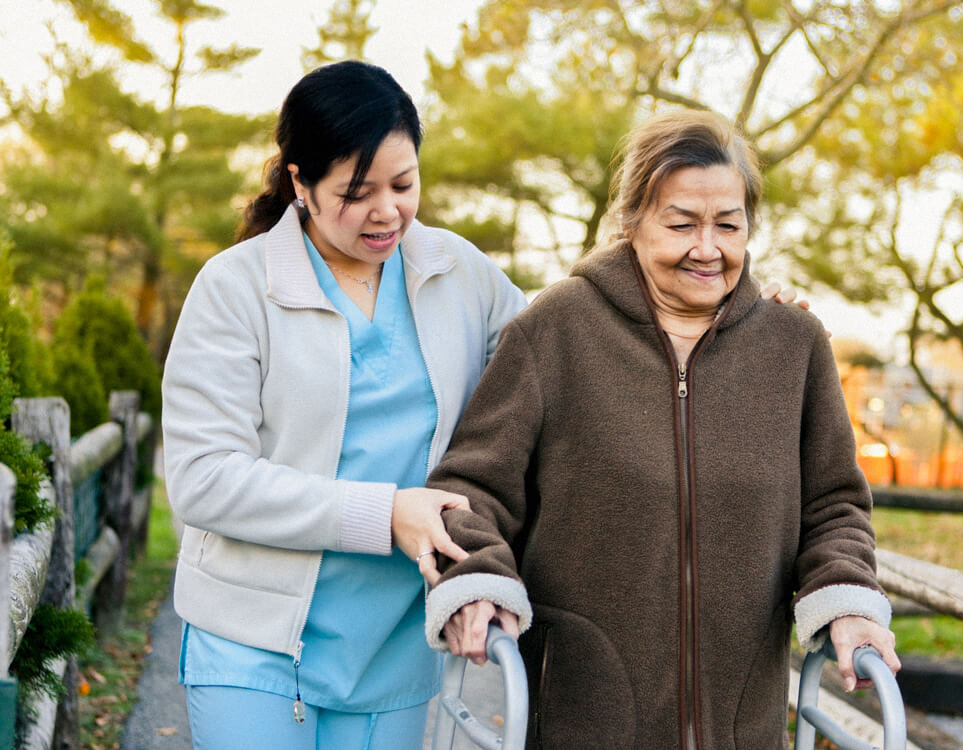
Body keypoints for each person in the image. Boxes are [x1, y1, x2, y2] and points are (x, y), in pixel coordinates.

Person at [423, 110, 901, 749]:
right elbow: (471, 487)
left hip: (742, 727)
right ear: (631, 222)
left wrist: (846, 598)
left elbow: (834, 505)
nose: (708, 248)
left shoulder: (795, 344)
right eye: (681, 224)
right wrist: (478, 580)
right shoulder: (557, 329)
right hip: (583, 721)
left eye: (728, 224)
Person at [160, 61, 527, 749]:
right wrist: (384, 514)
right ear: (299, 182)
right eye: (356, 193)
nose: (387, 210)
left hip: (391, 649)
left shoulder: (461, 272)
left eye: (404, 183)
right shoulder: (235, 288)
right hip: (253, 646)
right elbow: (204, 479)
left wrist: (739, 314)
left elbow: (565, 357)